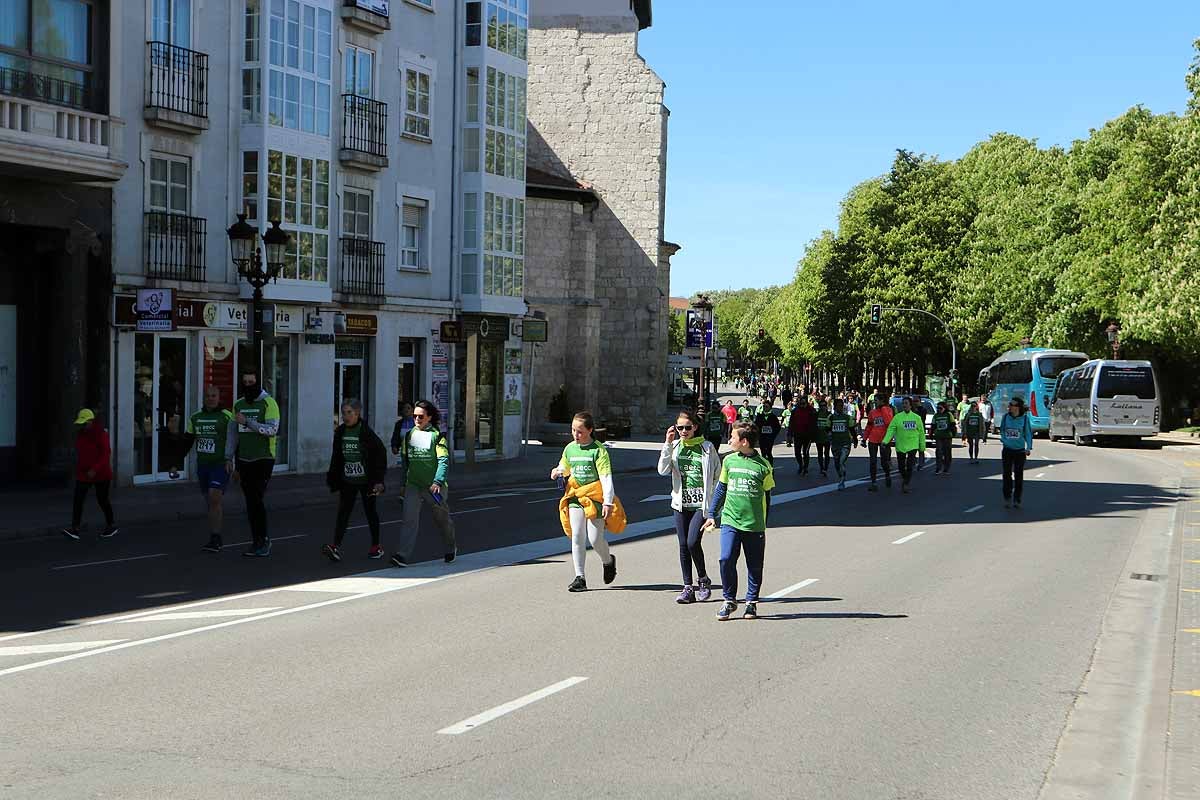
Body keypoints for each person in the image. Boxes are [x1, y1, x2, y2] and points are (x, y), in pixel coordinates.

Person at [703, 421, 775, 621]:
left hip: (754, 524)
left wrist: (763, 522)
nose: (729, 440)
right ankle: (729, 600)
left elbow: (767, 496)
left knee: (754, 565)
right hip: (730, 521)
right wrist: (711, 514)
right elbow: (721, 488)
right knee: (725, 559)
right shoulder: (729, 461)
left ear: (744, 441)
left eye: (732, 437)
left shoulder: (764, 466)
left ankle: (751, 602)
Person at [658, 410, 721, 604]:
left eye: (687, 427)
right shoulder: (675, 446)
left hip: (700, 505)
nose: (683, 431)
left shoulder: (707, 448)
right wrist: (667, 444)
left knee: (693, 542)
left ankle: (703, 579)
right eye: (679, 428)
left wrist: (713, 506)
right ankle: (687, 587)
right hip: (680, 504)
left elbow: (718, 476)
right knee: (683, 545)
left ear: (695, 427)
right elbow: (662, 470)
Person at [552, 411, 619, 592]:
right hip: (575, 497)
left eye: (580, 431)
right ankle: (579, 577)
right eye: (573, 430)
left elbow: (606, 477)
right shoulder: (570, 448)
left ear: (590, 430)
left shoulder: (599, 450)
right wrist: (558, 471)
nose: (576, 435)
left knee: (596, 539)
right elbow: (565, 467)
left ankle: (608, 560)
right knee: (577, 536)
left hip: (595, 498)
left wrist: (607, 501)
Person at [390, 400, 457, 567]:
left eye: (421, 416)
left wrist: (438, 481)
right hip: (414, 485)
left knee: (442, 520)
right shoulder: (409, 435)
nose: (417, 419)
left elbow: (443, 460)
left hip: (433, 488)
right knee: (408, 520)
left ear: (429, 417)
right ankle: (402, 555)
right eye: (414, 416)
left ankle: (451, 547)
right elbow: (405, 461)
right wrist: (403, 484)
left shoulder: (437, 436)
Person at [172, 385, 236, 552]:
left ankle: (215, 537)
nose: (210, 398)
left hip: (220, 464)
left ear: (219, 397)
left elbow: (237, 439)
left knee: (214, 498)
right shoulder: (195, 417)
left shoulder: (227, 416)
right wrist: (175, 463)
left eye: (214, 395)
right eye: (208, 396)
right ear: (204, 398)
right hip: (203, 465)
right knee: (210, 502)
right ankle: (216, 531)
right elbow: (187, 441)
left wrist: (234, 462)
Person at [323, 399, 388, 562]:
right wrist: (332, 477)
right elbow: (336, 457)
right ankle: (335, 546)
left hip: (367, 480)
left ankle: (376, 546)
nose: (345, 416)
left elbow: (380, 454)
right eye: (343, 412)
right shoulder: (340, 432)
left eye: (349, 412)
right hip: (348, 480)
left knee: (370, 512)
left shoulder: (365, 432)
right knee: (343, 513)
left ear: (357, 413)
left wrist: (379, 480)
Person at [233, 367, 281, 557]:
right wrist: (229, 458)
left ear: (258, 383)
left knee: (256, 498)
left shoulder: (269, 403)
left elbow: (272, 430)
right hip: (244, 458)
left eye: (251, 382)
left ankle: (263, 540)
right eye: (245, 383)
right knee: (250, 502)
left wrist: (248, 423)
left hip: (264, 458)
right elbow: (232, 434)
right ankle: (257, 541)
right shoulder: (238, 404)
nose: (248, 386)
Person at [62, 409, 117, 540]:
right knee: (78, 499)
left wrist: (95, 469)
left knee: (102, 500)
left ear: (91, 422)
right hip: (84, 473)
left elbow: (105, 454)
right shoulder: (81, 434)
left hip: (101, 474)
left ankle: (111, 525)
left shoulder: (101, 434)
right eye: (81, 423)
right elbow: (80, 452)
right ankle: (75, 528)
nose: (82, 426)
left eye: (84, 423)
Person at [883, 397, 926, 494]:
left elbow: (921, 433)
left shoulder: (916, 418)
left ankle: (906, 483)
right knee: (901, 467)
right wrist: (885, 441)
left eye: (906, 403)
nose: (904, 405)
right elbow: (891, 430)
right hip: (901, 445)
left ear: (910, 405)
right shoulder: (897, 417)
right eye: (903, 403)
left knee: (910, 466)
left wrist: (922, 447)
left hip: (913, 445)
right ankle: (905, 478)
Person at [999, 397, 1033, 508]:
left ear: (1017, 407)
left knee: (1018, 475)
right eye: (1010, 405)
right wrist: (1004, 440)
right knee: (1006, 474)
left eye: (1012, 405)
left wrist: (1028, 447)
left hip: (1019, 451)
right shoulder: (1005, 417)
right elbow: (1002, 430)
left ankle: (1017, 499)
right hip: (1007, 450)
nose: (1010, 407)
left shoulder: (1024, 419)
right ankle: (1007, 497)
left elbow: (1028, 434)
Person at [863, 391, 895, 491]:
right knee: (873, 461)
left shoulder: (888, 410)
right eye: (874, 401)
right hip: (873, 439)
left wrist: (883, 409)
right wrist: (864, 438)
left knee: (883, 461)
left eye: (876, 401)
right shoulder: (872, 412)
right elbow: (869, 426)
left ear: (882, 401)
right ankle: (873, 483)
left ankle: (887, 475)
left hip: (884, 440)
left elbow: (888, 422)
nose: (874, 403)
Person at [829, 397, 857, 490]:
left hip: (845, 444)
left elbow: (852, 429)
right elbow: (827, 429)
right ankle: (840, 475)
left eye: (842, 406)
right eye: (839, 406)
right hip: (835, 444)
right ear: (835, 407)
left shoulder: (847, 417)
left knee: (841, 462)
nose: (841, 408)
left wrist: (855, 440)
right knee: (837, 463)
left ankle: (842, 480)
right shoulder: (831, 417)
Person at [788, 396, 817, 475]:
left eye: (804, 403)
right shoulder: (795, 411)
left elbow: (815, 424)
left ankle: (806, 468)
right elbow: (791, 423)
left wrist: (814, 434)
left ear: (806, 403)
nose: (802, 405)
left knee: (805, 452)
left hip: (808, 435)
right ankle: (801, 465)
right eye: (801, 403)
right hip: (797, 434)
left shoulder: (811, 410)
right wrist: (789, 435)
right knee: (797, 452)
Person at [931, 401, 957, 475]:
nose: (939, 409)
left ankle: (946, 468)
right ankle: (938, 467)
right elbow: (933, 425)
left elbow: (953, 424)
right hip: (938, 436)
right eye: (937, 408)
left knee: (947, 452)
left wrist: (953, 433)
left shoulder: (948, 414)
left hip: (947, 436)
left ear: (944, 408)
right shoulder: (936, 416)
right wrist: (931, 434)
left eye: (940, 408)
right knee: (939, 452)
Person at [814, 398, 832, 478]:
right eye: (821, 406)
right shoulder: (817, 414)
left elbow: (832, 426)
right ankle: (821, 468)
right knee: (820, 454)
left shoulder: (829, 415)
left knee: (827, 453)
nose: (822, 407)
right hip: (818, 437)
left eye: (824, 405)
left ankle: (825, 468)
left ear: (826, 406)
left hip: (827, 438)